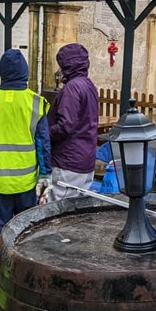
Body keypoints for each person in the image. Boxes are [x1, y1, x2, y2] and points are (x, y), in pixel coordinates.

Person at [0, 49, 52, 253]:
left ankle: (1, 270)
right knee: (25, 233)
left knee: (0, 233)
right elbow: (43, 143)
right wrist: (45, 175)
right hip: (26, 183)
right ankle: (23, 270)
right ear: (25, 72)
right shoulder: (35, 102)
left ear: (2, 72)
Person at [49, 43, 100, 200]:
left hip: (68, 161)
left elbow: (66, 125)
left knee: (57, 210)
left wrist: (45, 134)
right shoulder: (89, 85)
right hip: (85, 159)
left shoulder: (72, 88)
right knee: (76, 210)